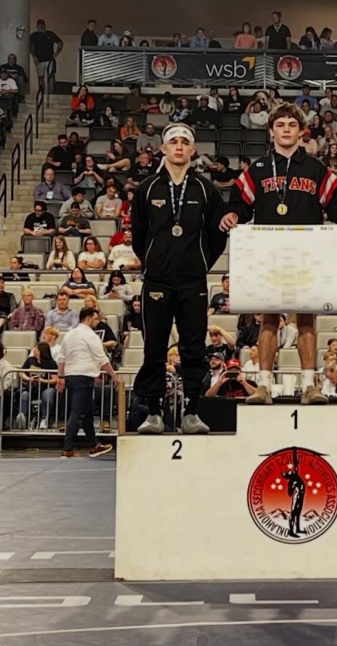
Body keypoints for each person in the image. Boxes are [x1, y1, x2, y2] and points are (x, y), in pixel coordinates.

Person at [223, 102, 337, 405]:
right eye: (280, 125)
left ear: (301, 131)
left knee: (306, 320)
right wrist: (233, 215)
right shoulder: (256, 169)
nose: (286, 130)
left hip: (306, 255)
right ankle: (263, 386)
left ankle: (310, 386)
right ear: (271, 131)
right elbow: (239, 204)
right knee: (269, 320)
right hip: (269, 255)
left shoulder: (316, 168)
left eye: (292, 125)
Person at [132, 123, 227, 435]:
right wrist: (155, 262)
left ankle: (192, 412)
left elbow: (217, 237)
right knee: (154, 348)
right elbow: (139, 236)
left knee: (192, 349)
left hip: (192, 282)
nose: (178, 146)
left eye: (185, 142)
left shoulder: (206, 189)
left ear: (192, 150)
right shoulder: (146, 189)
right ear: (162, 148)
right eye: (173, 141)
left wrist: (198, 264)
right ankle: (154, 413)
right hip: (157, 282)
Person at [56, 308, 117, 458]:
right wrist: (114, 376)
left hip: (71, 376)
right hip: (84, 377)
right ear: (89, 319)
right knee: (77, 414)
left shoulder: (69, 334)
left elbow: (61, 358)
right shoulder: (91, 335)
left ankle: (94, 445)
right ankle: (67, 448)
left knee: (88, 413)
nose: (98, 322)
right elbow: (101, 358)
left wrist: (61, 377)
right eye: (96, 319)